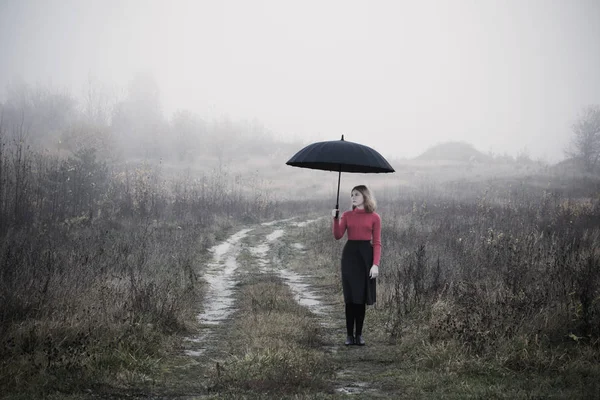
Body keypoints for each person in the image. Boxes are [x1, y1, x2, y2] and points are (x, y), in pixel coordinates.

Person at [332, 185, 381, 346]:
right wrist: (335, 219)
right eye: (352, 194)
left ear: (365, 197)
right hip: (350, 257)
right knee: (350, 298)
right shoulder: (346, 215)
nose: (353, 197)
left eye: (356, 194)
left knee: (360, 298)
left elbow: (377, 243)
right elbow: (338, 236)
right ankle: (348, 335)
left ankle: (359, 335)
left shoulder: (375, 217)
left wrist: (375, 265)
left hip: (365, 257)